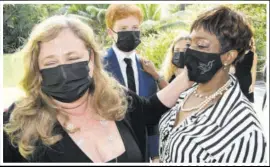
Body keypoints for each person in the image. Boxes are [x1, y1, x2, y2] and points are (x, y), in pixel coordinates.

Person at [3, 15, 192, 163]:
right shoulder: (16, 124)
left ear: (91, 61)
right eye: (50, 62)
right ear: (37, 70)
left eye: (72, 58)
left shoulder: (117, 98)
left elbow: (149, 110)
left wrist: (188, 76)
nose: (64, 72)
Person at [159, 6, 267, 163]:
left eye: (201, 45)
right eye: (190, 44)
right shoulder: (186, 93)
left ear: (228, 56)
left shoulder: (244, 130)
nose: (190, 52)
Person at [103, 4, 162, 162]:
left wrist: (155, 154)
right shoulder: (100, 67)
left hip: (143, 152)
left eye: (134, 27)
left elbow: (152, 115)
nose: (130, 32)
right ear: (111, 33)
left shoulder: (147, 69)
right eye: (123, 28)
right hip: (111, 152)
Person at [234, 37, 258, 103]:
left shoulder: (253, 55)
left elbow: (253, 71)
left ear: (251, 42)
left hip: (246, 81)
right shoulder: (237, 53)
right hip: (235, 79)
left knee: (246, 102)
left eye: (249, 41)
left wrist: (252, 85)